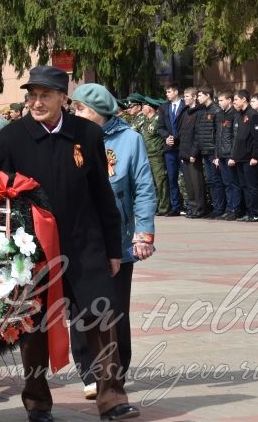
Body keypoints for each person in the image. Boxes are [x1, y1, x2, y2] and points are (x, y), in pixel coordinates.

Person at [0, 66, 137, 422]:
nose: (36, 102)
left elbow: (103, 193)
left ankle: (112, 399)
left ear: (63, 99)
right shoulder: (10, 138)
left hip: (86, 246)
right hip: (31, 251)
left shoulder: (86, 133)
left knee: (102, 319)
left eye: (45, 95)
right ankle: (37, 403)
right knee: (34, 326)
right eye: (32, 95)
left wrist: (114, 249)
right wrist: (2, 254)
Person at [69, 84, 156, 401]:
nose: (73, 114)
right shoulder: (69, 137)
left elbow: (144, 188)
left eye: (79, 109)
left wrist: (143, 234)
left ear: (97, 111)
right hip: (78, 240)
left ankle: (116, 369)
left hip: (117, 240)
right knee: (80, 310)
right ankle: (89, 372)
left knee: (115, 309)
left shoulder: (130, 140)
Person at [230, 90, 258, 222]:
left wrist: (255, 156)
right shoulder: (239, 115)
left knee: (252, 186)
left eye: (236, 99)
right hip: (240, 157)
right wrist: (235, 156)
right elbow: (238, 138)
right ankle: (249, 212)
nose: (234, 102)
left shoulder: (253, 114)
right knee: (244, 186)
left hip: (250, 158)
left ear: (244, 99)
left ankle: (255, 213)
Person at [192, 87, 222, 220]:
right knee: (210, 181)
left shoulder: (216, 110)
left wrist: (217, 154)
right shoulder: (202, 111)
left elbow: (219, 135)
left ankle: (220, 208)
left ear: (208, 95)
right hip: (205, 150)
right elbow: (198, 132)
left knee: (216, 181)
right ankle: (216, 207)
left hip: (213, 151)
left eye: (200, 95)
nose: (198, 98)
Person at [157, 83, 185, 216]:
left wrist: (177, 137)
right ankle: (175, 206)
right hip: (169, 148)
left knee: (186, 177)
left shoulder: (185, 105)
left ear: (175, 91)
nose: (166, 94)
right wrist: (166, 137)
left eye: (168, 92)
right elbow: (160, 126)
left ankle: (191, 205)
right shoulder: (164, 107)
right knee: (172, 177)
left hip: (183, 147)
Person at [177, 87, 206, 218]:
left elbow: (198, 135)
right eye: (185, 96)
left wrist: (194, 153)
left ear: (194, 97)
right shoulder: (185, 112)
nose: (185, 99)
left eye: (188, 96)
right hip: (185, 154)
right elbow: (182, 134)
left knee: (197, 183)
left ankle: (200, 208)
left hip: (193, 155)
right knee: (188, 183)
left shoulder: (199, 113)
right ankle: (192, 206)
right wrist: (182, 154)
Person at [213, 91, 242, 220]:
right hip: (221, 154)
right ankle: (229, 208)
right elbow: (217, 137)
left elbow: (235, 137)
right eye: (218, 101)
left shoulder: (234, 115)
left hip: (230, 154)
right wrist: (216, 155)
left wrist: (233, 156)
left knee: (233, 183)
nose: (219, 103)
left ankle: (235, 209)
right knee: (226, 183)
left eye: (221, 100)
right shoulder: (219, 115)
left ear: (229, 100)